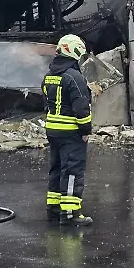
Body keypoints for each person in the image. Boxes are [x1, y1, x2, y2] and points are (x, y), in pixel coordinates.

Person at [42, 34, 94, 226]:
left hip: (53, 130)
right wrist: (85, 130)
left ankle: (54, 209)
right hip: (71, 132)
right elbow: (81, 107)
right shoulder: (75, 77)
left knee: (56, 169)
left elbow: (46, 102)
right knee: (72, 170)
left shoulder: (49, 76)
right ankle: (71, 213)